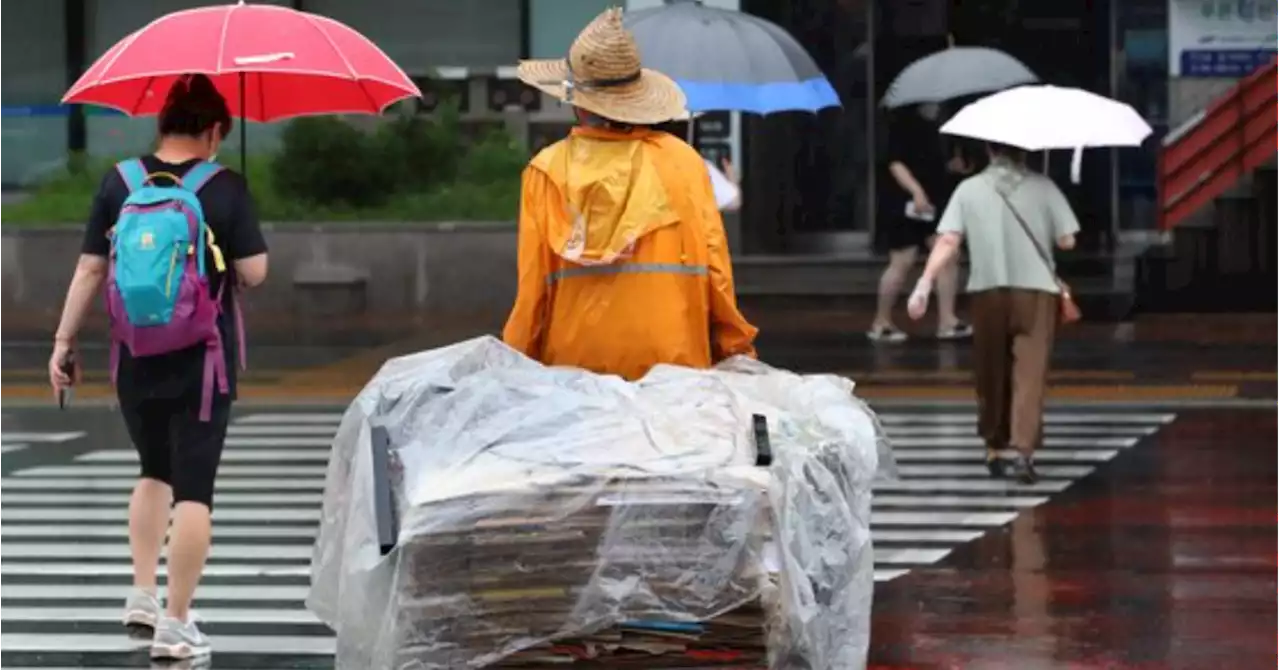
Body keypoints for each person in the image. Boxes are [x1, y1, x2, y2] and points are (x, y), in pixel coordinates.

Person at [48, 74, 268, 660]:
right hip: (204, 361)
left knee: (152, 472)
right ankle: (175, 624)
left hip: (133, 359)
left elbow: (91, 269)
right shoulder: (224, 186)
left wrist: (63, 341)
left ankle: (142, 594)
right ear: (216, 130)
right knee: (194, 489)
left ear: (162, 124)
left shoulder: (119, 182)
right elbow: (255, 272)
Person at [502, 8, 758, 380]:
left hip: (575, 369)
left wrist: (516, 363)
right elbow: (716, 269)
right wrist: (735, 349)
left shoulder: (546, 170)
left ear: (575, 101)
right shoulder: (682, 162)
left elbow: (533, 286)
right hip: (675, 366)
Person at [906, 142, 1080, 484]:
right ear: (1025, 150)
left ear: (988, 150)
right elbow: (1067, 241)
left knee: (991, 372)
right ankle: (1024, 454)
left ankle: (994, 448)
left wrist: (924, 284)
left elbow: (948, 240)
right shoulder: (1044, 187)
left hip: (987, 293)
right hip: (1037, 294)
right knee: (1029, 376)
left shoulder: (968, 189)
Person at [869, 102, 970, 343]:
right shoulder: (900, 122)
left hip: (933, 201)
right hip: (904, 202)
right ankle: (881, 322)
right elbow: (894, 162)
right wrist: (915, 191)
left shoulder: (942, 124)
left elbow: (931, 163)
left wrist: (952, 166)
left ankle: (948, 320)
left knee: (947, 254)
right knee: (902, 260)